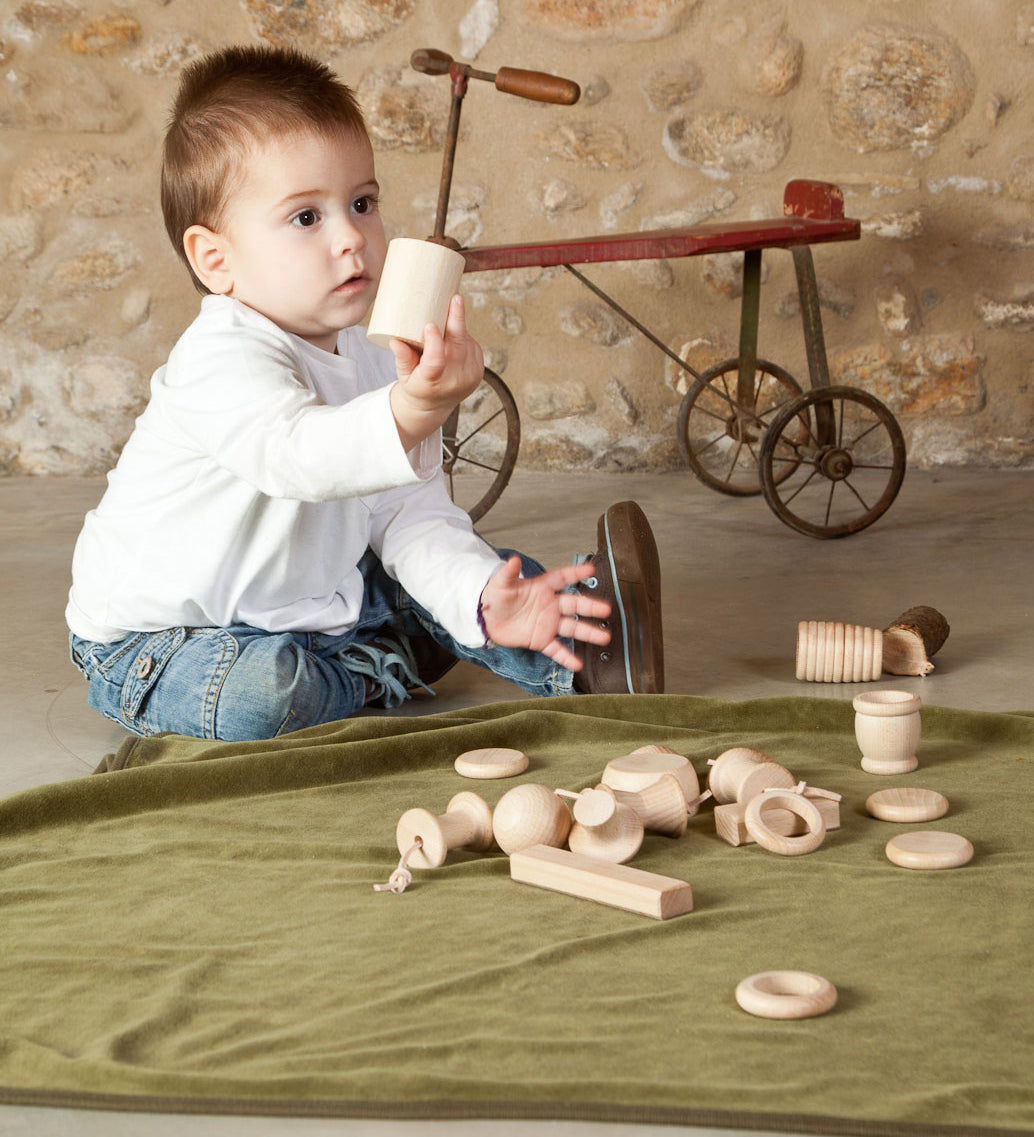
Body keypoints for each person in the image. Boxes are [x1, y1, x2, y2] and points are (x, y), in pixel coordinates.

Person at [65, 44, 664, 742]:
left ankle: (586, 646)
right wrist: (416, 409)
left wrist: (474, 593)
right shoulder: (218, 358)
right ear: (215, 260)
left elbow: (410, 512)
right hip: (164, 642)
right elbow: (299, 456)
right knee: (263, 691)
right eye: (306, 218)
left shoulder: (370, 352)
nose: (352, 236)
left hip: (310, 598)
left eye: (361, 202)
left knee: (480, 578)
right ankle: (380, 662)